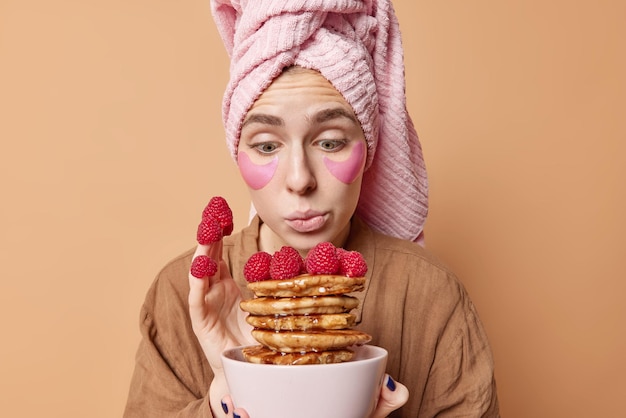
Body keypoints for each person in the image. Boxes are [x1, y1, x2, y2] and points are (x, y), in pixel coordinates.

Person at [124, 1, 499, 417]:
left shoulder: (431, 295)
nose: (300, 179)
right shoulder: (183, 294)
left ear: (370, 148)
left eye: (330, 141)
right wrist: (224, 397)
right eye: (267, 145)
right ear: (237, 152)